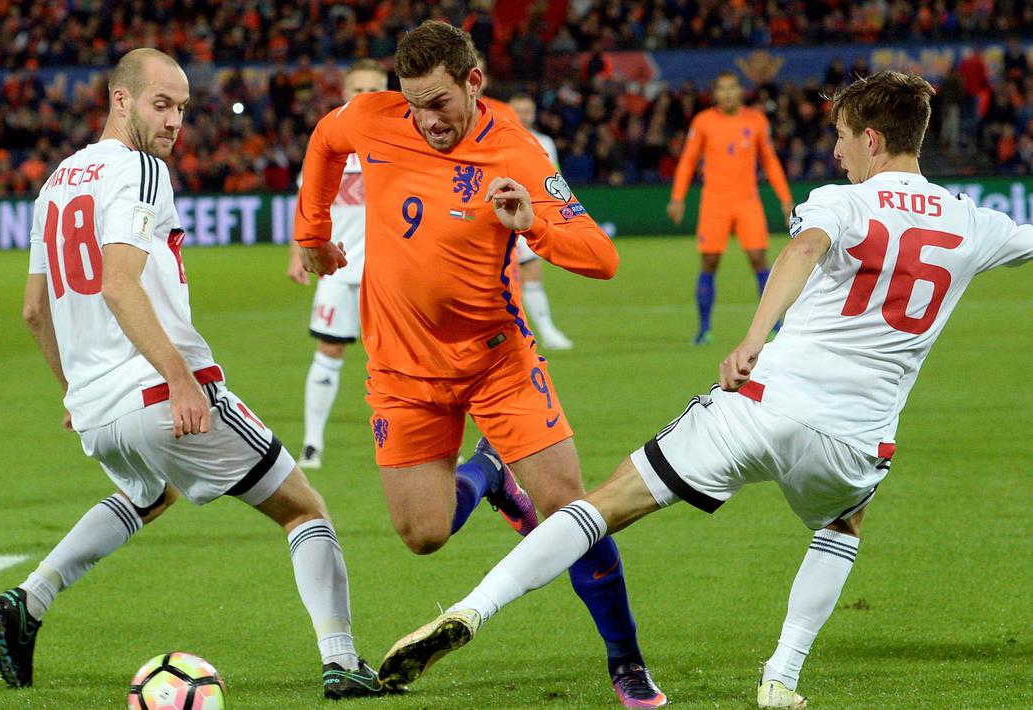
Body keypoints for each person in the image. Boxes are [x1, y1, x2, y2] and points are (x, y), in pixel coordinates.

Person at [380, 71, 1033, 708]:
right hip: (853, 441)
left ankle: (471, 607)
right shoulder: (971, 222)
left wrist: (752, 338)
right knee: (841, 522)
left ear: (869, 137)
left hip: (758, 406)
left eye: (838, 136)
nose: (833, 153)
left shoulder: (844, 201)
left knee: (601, 505)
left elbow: (804, 249)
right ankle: (780, 675)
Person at [0, 48, 382, 700]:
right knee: (303, 510)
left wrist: (75, 389)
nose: (173, 121)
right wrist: (177, 377)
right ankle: (341, 661)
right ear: (120, 100)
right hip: (156, 389)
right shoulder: (140, 169)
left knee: (150, 493)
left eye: (181, 108)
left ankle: (29, 599)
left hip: (98, 406)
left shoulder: (58, 179)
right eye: (160, 104)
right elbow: (118, 284)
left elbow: (33, 310)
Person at [294, 21, 666, 708]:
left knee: (567, 510)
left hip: (496, 361)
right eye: (413, 103)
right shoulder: (376, 117)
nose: (424, 119)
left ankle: (626, 661)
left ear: (474, 82)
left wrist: (532, 224)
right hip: (401, 369)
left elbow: (601, 258)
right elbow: (324, 140)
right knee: (422, 535)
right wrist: (311, 234)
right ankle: (486, 471)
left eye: (437, 102)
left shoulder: (515, 152)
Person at [286, 59, 388, 470]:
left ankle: (413, 448)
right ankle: (312, 443)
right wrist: (298, 253)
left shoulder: (400, 145)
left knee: (402, 359)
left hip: (388, 273)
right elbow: (308, 204)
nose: (364, 96)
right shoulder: (329, 144)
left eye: (372, 90)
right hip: (338, 268)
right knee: (328, 352)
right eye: (357, 89)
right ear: (345, 93)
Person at [667, 71, 794, 345]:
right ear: (715, 94)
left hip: (747, 200)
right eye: (721, 89)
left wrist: (785, 199)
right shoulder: (703, 122)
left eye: (732, 88)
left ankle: (775, 325)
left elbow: (770, 161)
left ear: (740, 91)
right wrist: (678, 197)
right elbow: (688, 161)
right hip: (714, 201)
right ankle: (704, 329)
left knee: (759, 259)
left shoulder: (756, 120)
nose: (727, 94)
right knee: (709, 262)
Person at [509, 92, 574, 350]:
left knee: (531, 270)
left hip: (529, 217)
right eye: (518, 110)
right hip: (498, 216)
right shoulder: (496, 138)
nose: (523, 116)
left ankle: (547, 332)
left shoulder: (544, 142)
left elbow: (553, 182)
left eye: (528, 110)